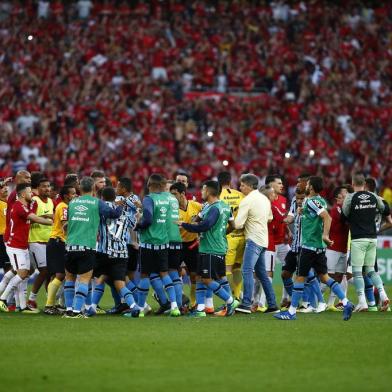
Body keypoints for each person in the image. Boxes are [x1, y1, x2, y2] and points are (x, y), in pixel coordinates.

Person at [274, 176, 354, 321]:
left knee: (300, 277)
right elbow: (316, 215)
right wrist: (302, 212)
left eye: (308, 184)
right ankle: (347, 302)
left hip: (309, 246)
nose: (306, 185)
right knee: (324, 277)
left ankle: (291, 312)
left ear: (310, 187)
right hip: (318, 248)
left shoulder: (311, 201)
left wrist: (325, 235)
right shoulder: (319, 200)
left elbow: (327, 217)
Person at [63, 177, 123, 318]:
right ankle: (77, 311)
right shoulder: (97, 203)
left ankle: (69, 310)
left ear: (80, 188)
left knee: (70, 279)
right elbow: (114, 214)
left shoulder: (72, 203)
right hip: (86, 247)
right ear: (94, 189)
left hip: (70, 246)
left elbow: (67, 224)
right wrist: (119, 205)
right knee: (84, 279)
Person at [179, 180, 239, 317]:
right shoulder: (224, 206)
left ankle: (230, 301)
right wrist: (220, 234)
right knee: (202, 277)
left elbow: (205, 226)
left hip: (211, 249)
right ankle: (200, 309)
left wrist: (185, 225)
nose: (201, 192)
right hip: (215, 246)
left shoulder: (214, 208)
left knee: (207, 279)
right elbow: (233, 226)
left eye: (203, 190)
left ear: (209, 192)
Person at [0, 184, 52, 313]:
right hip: (15, 245)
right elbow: (34, 218)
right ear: (23, 194)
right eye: (30, 192)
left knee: (23, 273)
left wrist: (40, 210)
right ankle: (3, 299)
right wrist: (53, 221)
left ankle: (22, 306)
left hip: (22, 245)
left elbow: (32, 215)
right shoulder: (18, 206)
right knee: (22, 273)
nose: (32, 194)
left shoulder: (24, 206)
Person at [134, 174, 180, 317]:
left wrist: (138, 225)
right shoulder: (168, 199)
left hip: (148, 243)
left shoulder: (149, 198)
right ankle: (174, 307)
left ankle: (141, 309)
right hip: (163, 242)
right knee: (164, 274)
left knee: (145, 275)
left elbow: (148, 218)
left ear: (151, 185)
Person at [342, 173, 390, 311]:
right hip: (372, 238)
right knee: (370, 270)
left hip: (358, 238)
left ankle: (362, 302)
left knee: (357, 272)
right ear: (364, 184)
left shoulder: (350, 198)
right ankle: (383, 296)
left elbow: (343, 216)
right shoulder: (374, 196)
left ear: (352, 184)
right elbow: (385, 209)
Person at [89, 187, 139, 317]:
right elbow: (134, 224)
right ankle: (134, 306)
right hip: (122, 252)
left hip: (104, 251)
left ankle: (92, 307)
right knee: (119, 282)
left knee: (99, 278)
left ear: (102, 197)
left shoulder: (101, 207)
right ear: (114, 196)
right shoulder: (125, 212)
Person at [233, 174, 278, 314]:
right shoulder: (264, 199)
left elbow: (238, 224)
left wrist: (230, 219)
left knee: (246, 270)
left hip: (253, 240)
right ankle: (272, 305)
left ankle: (246, 303)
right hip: (263, 240)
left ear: (250, 186)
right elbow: (270, 218)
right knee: (262, 274)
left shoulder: (247, 200)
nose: (240, 188)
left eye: (242, 185)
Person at [44, 185, 77, 315]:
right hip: (58, 242)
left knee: (58, 276)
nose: (75, 195)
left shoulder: (64, 206)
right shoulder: (64, 207)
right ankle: (48, 305)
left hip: (56, 242)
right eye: (73, 194)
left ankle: (52, 304)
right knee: (60, 275)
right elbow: (66, 226)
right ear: (66, 196)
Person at [170, 181, 201, 308]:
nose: (172, 197)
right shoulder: (172, 210)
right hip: (177, 245)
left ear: (182, 194)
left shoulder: (196, 206)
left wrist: (200, 235)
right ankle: (179, 302)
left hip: (193, 245)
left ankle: (193, 303)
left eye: (174, 194)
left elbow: (207, 217)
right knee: (175, 274)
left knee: (194, 276)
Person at [218, 171, 245, 301]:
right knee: (237, 267)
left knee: (227, 268)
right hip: (242, 235)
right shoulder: (240, 195)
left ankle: (230, 299)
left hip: (227, 236)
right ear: (230, 182)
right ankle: (237, 295)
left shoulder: (218, 196)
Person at [27, 177, 54, 309]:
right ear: (38, 188)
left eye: (48, 186)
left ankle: (49, 302)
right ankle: (31, 300)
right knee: (44, 271)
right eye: (44, 186)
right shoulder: (34, 201)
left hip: (48, 242)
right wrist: (45, 217)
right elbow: (28, 219)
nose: (47, 188)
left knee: (49, 272)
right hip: (35, 241)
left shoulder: (51, 202)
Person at [325, 185, 351, 311]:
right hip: (333, 248)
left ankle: (330, 303)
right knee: (327, 276)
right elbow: (345, 221)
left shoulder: (345, 209)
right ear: (338, 197)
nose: (348, 194)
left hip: (343, 248)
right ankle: (312, 301)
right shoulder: (337, 209)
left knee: (339, 277)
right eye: (345, 193)